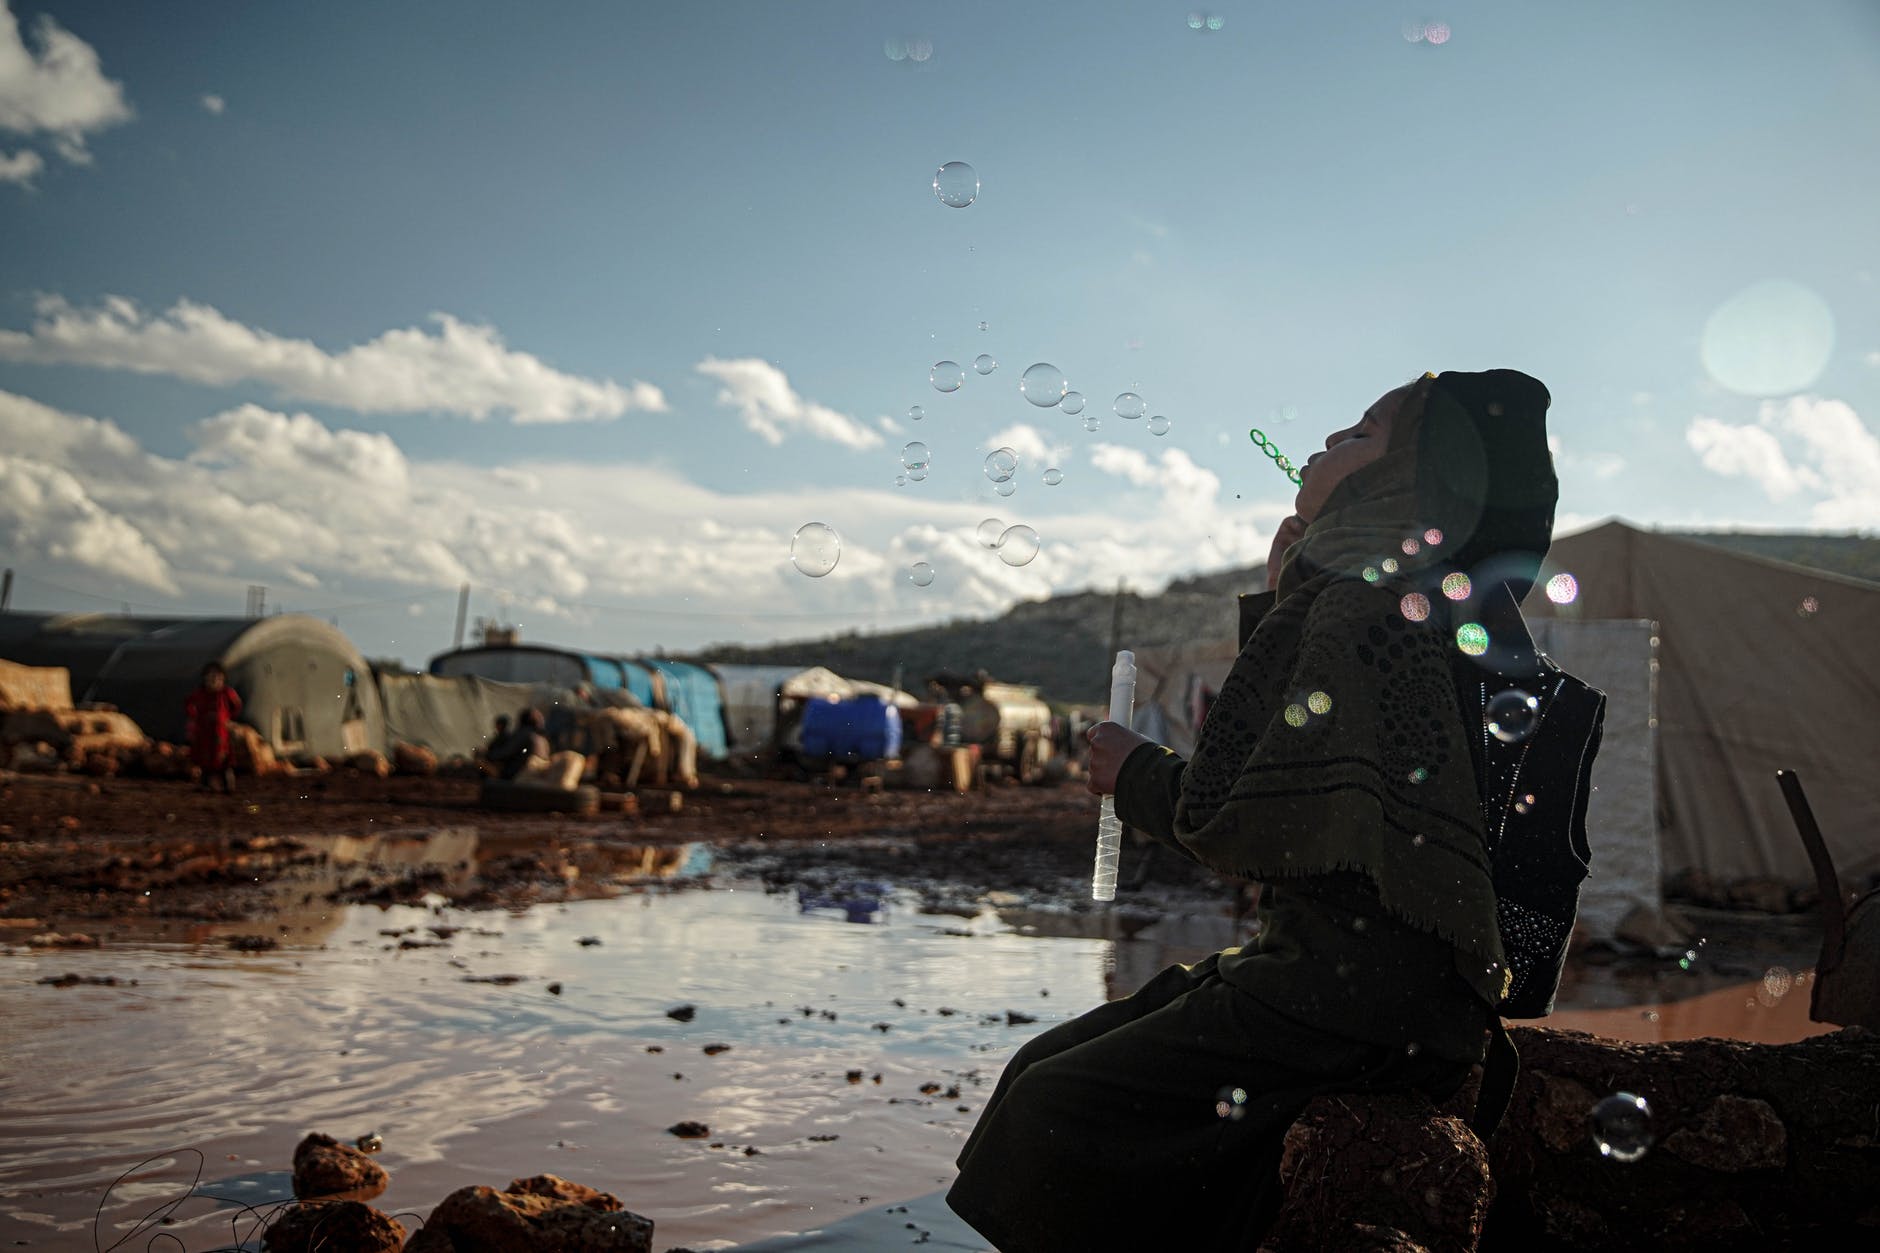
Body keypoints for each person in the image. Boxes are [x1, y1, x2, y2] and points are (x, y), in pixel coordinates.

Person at [948, 369, 1565, 1250]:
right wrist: (1284, 600)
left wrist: (1130, 772)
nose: (1324, 441)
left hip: (1346, 996)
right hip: (1377, 987)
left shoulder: (1360, 606)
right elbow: (1295, 752)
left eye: (1359, 433)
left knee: (1054, 1101)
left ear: (1409, 483)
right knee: (1038, 1066)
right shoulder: (1401, 604)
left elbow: (1244, 812)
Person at [184, 662, 243, 794]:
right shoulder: (200, 694)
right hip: (204, 733)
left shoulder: (226, 693)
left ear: (223, 679)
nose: (214, 681)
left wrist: (228, 719)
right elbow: (189, 704)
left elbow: (237, 705)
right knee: (205, 760)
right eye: (210, 678)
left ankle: (229, 786)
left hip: (221, 733)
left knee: (224, 761)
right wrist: (194, 717)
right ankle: (206, 784)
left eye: (217, 678)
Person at [487, 708, 549, 781]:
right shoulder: (542, 738)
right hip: (536, 776)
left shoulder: (524, 734)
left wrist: (489, 755)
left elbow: (506, 753)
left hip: (520, 776)